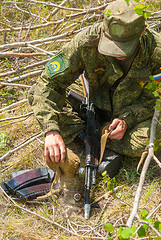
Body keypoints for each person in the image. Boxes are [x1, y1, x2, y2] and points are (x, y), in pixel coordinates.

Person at [28, 0, 161, 176]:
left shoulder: (156, 52)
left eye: (124, 47)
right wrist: (51, 131)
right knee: (40, 99)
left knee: (149, 138)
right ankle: (90, 136)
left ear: (142, 32)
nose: (117, 52)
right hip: (92, 97)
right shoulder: (86, 41)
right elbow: (47, 84)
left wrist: (127, 120)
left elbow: (154, 99)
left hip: (131, 106)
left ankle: (92, 135)